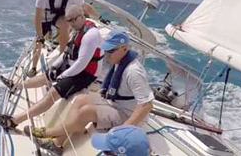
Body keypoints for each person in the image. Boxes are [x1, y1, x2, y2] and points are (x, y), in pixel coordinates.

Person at [25, 29, 154, 156]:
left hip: (126, 113)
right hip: (113, 102)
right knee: (81, 98)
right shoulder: (119, 61)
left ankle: (48, 133)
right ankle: (59, 141)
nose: (107, 54)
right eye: (106, 50)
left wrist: (124, 129)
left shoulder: (133, 72)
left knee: (86, 112)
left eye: (111, 50)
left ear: (125, 48)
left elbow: (146, 105)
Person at [0, 5, 104, 129]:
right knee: (46, 75)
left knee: (52, 93)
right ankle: (16, 86)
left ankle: (14, 121)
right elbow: (67, 52)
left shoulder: (91, 35)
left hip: (86, 73)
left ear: (82, 16)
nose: (72, 23)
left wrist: (62, 76)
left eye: (74, 20)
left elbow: (82, 63)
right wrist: (55, 67)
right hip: (73, 65)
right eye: (69, 21)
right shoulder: (76, 30)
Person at [29, 0, 103, 77]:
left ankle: (62, 55)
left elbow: (85, 6)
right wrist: (40, 35)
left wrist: (100, 17)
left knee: (64, 25)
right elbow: (36, 16)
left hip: (57, 17)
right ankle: (33, 67)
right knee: (38, 42)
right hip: (43, 18)